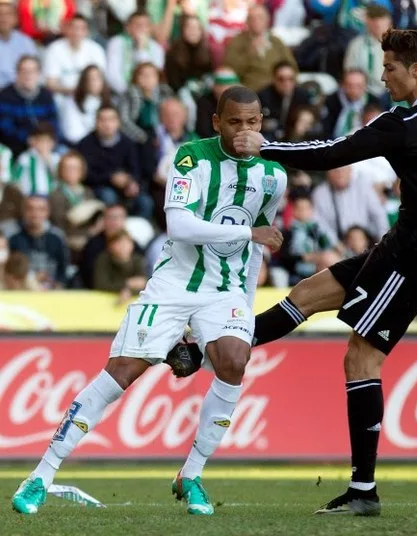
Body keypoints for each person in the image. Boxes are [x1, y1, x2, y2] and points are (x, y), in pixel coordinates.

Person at [169, 27, 417, 515]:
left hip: (413, 255)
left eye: (389, 67)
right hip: (414, 249)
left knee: (360, 360)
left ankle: (363, 491)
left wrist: (266, 146)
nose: (383, 76)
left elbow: (332, 153)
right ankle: (200, 352)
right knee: (307, 294)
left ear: (416, 70)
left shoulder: (407, 122)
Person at [11, 85, 286, 516]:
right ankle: (40, 476)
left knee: (234, 359)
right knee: (121, 372)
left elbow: (258, 250)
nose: (244, 131)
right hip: (174, 283)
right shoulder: (191, 157)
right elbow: (179, 225)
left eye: (253, 123)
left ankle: (192, 474)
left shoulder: (274, 175)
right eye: (235, 122)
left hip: (226, 290)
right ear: (217, 122)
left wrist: (244, 310)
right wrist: (248, 233)